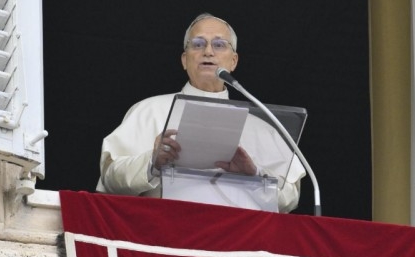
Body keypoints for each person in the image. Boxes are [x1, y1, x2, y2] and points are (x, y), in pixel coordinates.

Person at [96, 13, 305, 212]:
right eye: (198, 44)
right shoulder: (149, 111)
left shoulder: (262, 128)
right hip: (165, 236)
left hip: (239, 241)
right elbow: (110, 178)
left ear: (234, 61)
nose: (208, 51)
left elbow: (289, 198)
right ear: (184, 60)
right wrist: (152, 163)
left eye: (219, 44)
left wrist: (255, 175)